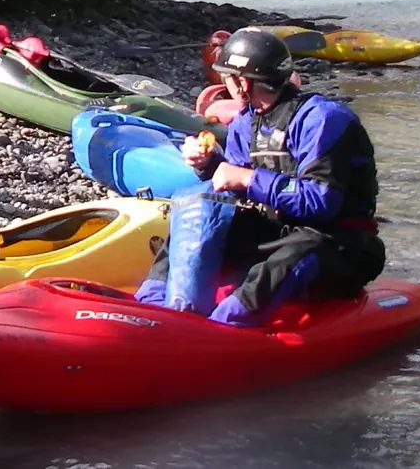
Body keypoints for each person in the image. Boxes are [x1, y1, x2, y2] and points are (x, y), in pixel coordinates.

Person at [135, 27, 386, 326]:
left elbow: (322, 201)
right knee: (193, 219)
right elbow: (236, 187)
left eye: (227, 78)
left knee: (295, 255)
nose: (225, 85)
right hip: (279, 232)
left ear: (243, 82)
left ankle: (220, 328)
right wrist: (211, 165)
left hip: (341, 244)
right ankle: (150, 307)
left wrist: (245, 178)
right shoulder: (246, 123)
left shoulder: (323, 119)